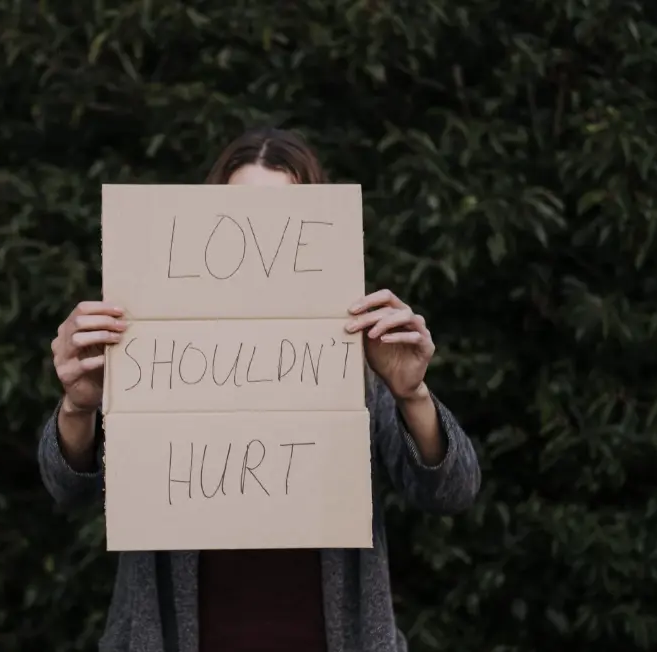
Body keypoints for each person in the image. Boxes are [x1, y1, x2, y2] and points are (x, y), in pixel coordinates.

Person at [39, 127, 481, 652]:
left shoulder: (349, 354)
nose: (256, 238)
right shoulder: (152, 345)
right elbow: (67, 488)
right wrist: (79, 406)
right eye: (240, 215)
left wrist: (412, 394)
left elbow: (451, 491)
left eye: (280, 219)